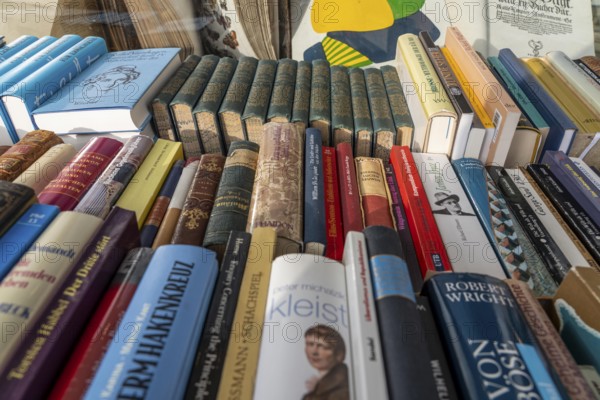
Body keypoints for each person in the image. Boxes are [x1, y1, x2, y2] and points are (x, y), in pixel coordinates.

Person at [303, 324, 349, 400]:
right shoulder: (320, 385)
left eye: (322, 346)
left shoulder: (341, 389)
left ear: (339, 354)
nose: (314, 352)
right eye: (310, 344)